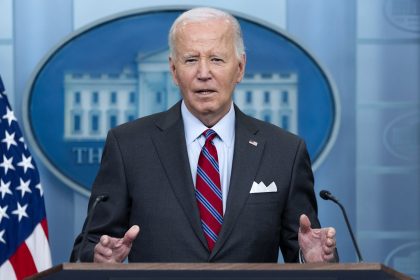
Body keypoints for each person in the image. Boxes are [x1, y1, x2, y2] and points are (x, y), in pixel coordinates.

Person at [70, 7, 337, 263]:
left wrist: (312, 259)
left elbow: (305, 246)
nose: (203, 73)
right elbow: (89, 245)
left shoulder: (285, 152)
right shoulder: (128, 146)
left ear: (240, 68)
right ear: (174, 71)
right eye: (191, 60)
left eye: (217, 59)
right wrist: (98, 256)